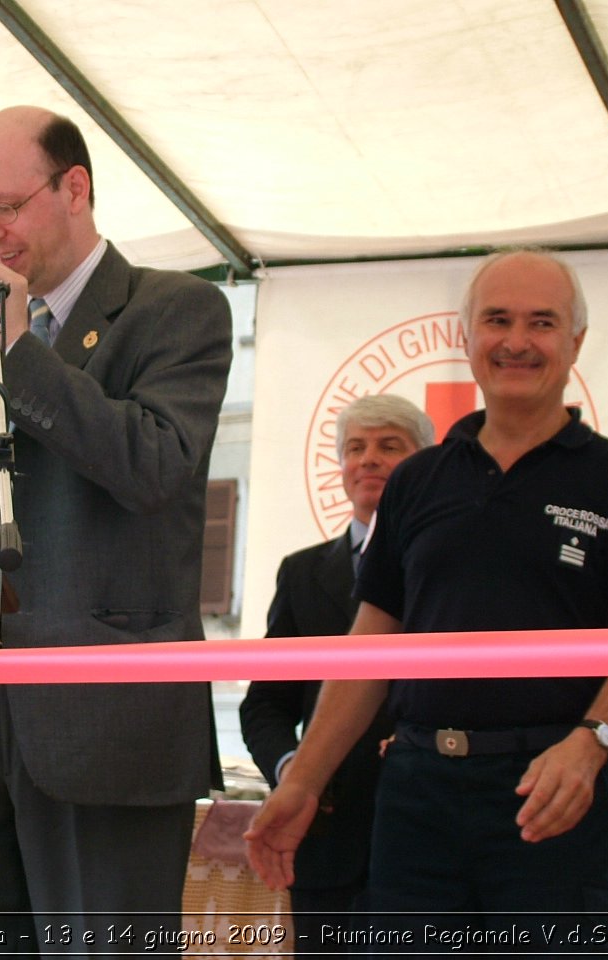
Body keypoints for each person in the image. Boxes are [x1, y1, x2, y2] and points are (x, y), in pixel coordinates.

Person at [245, 249, 608, 952]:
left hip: (553, 794)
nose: (516, 341)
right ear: (467, 337)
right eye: (497, 320)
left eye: (542, 323)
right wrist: (302, 781)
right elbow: (370, 651)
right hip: (417, 798)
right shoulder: (418, 481)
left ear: (575, 341)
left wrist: (591, 743)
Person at [0, 106, 232, 954]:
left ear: (75, 188)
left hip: (104, 724)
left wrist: (23, 347)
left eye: (5, 205)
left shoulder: (175, 309)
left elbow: (153, 465)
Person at [240, 394, 432, 953]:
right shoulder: (302, 574)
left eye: (389, 446)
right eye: (355, 448)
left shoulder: (449, 569)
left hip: (427, 831)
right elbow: (267, 705)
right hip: (328, 837)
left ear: (425, 465)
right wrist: (293, 767)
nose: (368, 459)